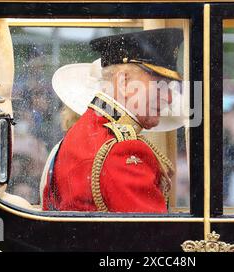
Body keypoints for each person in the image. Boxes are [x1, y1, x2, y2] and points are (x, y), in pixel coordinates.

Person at [42, 28, 185, 213]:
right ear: (124, 82)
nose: (170, 98)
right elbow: (155, 236)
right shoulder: (122, 150)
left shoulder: (89, 131)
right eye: (160, 85)